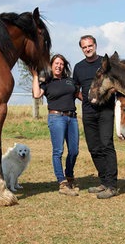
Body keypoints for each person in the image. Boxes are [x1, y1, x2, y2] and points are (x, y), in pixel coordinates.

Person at [73, 35, 119, 199]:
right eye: (84, 47)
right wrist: (84, 98)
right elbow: (75, 87)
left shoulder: (105, 64)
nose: (87, 49)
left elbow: (116, 85)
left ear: (95, 45)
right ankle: (104, 181)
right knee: (94, 147)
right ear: (81, 48)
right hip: (88, 112)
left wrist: (105, 95)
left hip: (105, 111)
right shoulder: (78, 67)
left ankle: (112, 186)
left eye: (90, 46)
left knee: (106, 145)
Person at [32, 54, 80, 196]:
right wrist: (35, 75)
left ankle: (69, 175)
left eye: (61, 64)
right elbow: (36, 94)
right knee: (58, 151)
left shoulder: (70, 81)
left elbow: (80, 95)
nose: (59, 66)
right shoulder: (47, 82)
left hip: (72, 118)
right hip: (56, 117)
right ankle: (62, 182)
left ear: (64, 66)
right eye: (56, 63)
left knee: (74, 151)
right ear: (51, 66)